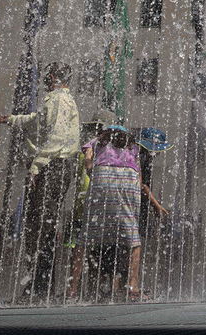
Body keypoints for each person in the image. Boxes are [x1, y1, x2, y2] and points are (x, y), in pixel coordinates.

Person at [0, 62, 80, 298]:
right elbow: (40, 120)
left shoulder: (58, 100)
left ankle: (41, 285)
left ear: (53, 76)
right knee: (40, 224)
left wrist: (36, 166)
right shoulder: (59, 100)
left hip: (53, 166)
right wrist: (13, 119)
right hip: (56, 166)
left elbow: (57, 136)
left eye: (47, 76)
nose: (45, 79)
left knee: (42, 225)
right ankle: (39, 283)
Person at [67, 124, 168, 300]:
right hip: (128, 184)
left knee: (83, 241)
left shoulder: (95, 142)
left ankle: (72, 290)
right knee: (134, 243)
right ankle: (132, 287)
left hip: (102, 181)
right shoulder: (133, 147)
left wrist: (97, 173)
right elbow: (139, 179)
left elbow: (88, 163)